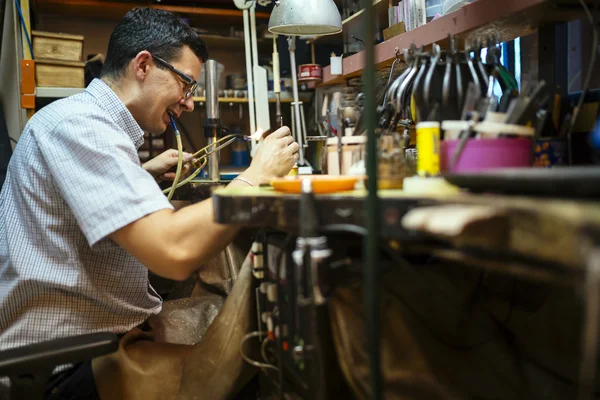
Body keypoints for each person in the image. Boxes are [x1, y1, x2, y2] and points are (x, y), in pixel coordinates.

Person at [0, 7, 299, 398]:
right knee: (252, 367)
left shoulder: (86, 123)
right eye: (186, 85)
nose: (189, 103)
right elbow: (172, 251)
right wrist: (254, 176)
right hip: (62, 364)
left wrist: (141, 174)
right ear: (143, 65)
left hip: (94, 337)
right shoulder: (81, 128)